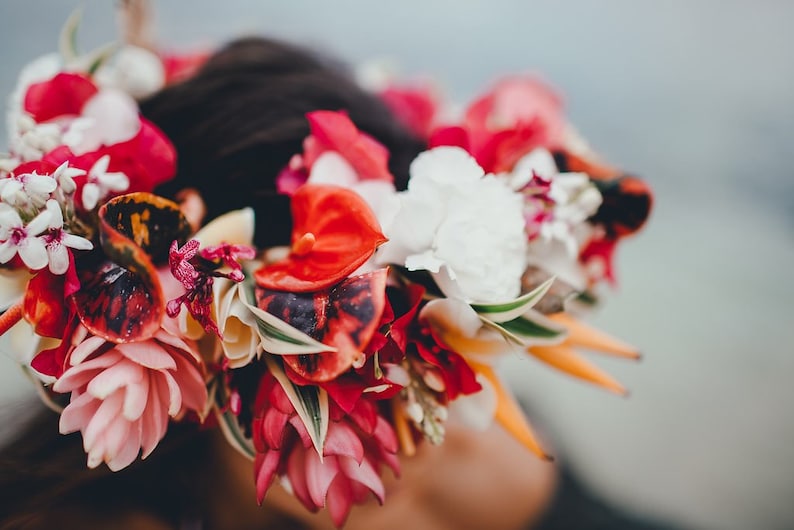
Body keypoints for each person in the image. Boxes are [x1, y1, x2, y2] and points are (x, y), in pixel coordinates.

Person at [0, 24, 670, 530]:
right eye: (340, 361)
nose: (409, 421)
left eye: (411, 325)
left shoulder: (487, 461)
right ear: (190, 379)